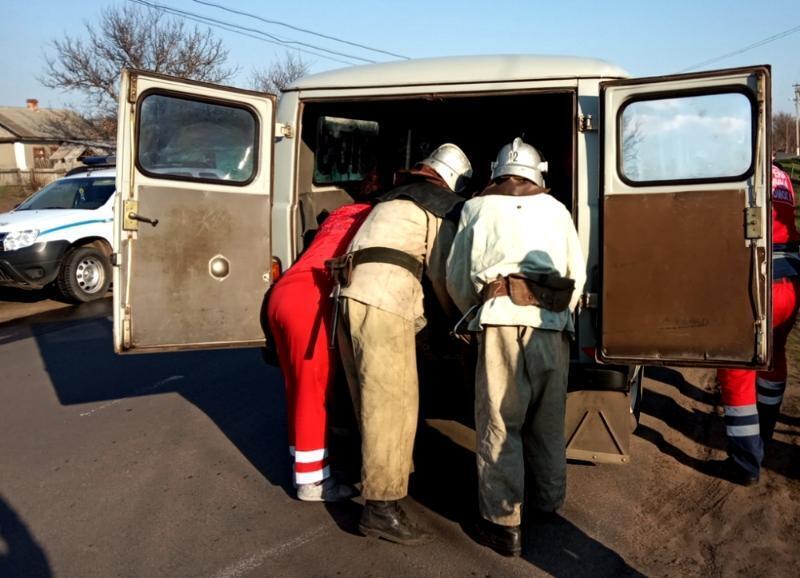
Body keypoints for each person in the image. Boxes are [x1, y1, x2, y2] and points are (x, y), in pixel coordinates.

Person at [446, 137, 586, 557]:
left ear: (497, 172)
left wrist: (476, 311)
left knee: (500, 422)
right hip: (550, 323)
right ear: (536, 173)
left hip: (499, 319)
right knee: (547, 417)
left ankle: (503, 524)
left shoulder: (476, 208)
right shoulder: (557, 210)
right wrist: (559, 317)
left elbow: (456, 277)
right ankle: (547, 503)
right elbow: (575, 276)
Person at [334, 143, 472, 546]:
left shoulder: (391, 200)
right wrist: (457, 322)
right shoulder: (439, 205)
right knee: (392, 405)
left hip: (346, 297)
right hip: (385, 301)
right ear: (453, 180)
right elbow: (444, 276)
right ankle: (381, 509)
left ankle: (375, 478)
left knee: (367, 400)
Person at [266, 176, 378, 501]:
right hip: (310, 298)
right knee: (313, 392)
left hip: (282, 292)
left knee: (296, 388)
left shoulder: (339, 215)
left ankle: (303, 458)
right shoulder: (373, 220)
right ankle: (313, 484)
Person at [714, 159, 800, 486]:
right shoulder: (781, 174)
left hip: (761, 282)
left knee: (736, 363)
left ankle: (745, 463)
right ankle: (763, 434)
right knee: (774, 354)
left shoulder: (740, 166)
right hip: (791, 280)